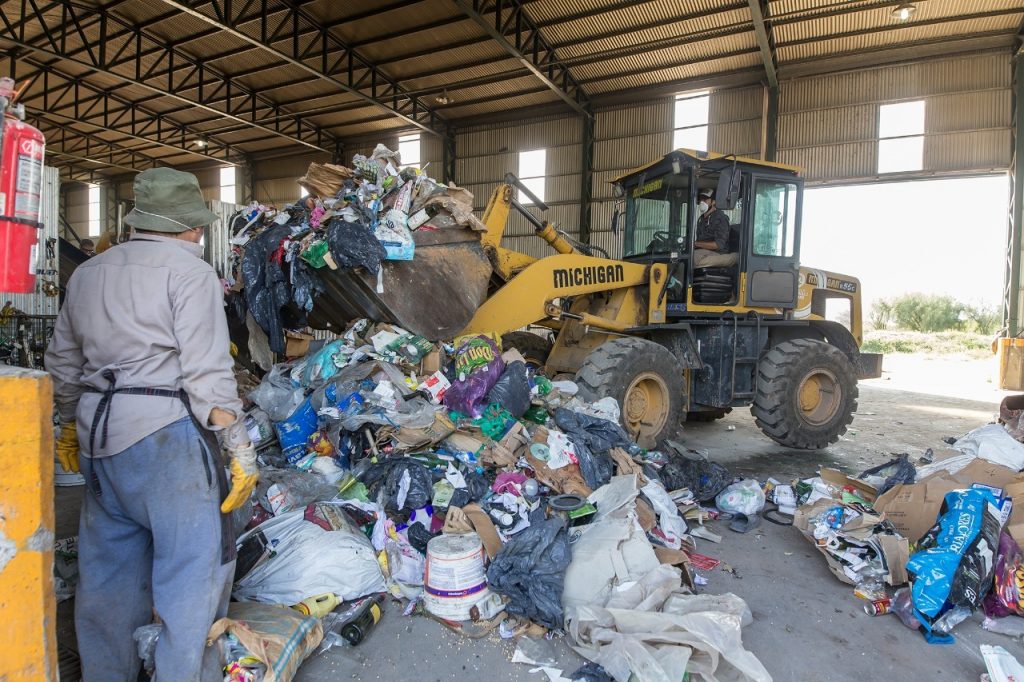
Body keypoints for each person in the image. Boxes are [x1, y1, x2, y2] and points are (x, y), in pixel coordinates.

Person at [45, 167, 259, 681]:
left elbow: (62, 364)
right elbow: (207, 374)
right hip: (169, 438)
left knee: (108, 578)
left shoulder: (90, 272)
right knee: (192, 571)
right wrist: (238, 446)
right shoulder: (190, 275)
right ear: (187, 226)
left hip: (100, 438)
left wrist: (71, 424)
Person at [693, 189, 735, 268]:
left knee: (691, 258)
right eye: (701, 199)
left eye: (705, 199)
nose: (702, 202)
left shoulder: (721, 218)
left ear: (713, 202)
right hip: (703, 251)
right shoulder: (701, 219)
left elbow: (718, 245)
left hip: (718, 253)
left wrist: (695, 244)